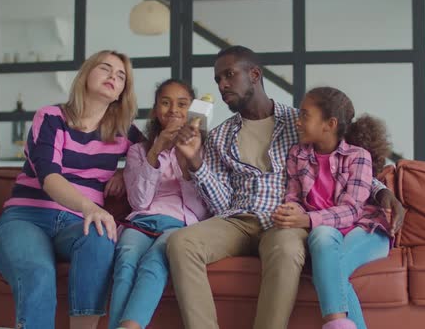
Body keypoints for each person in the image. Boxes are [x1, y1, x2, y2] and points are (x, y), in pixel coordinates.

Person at [169, 45, 404, 329]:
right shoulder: (219, 136)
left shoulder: (301, 123)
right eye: (218, 79)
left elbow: (341, 162)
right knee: (181, 243)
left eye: (229, 75)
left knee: (287, 250)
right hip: (238, 220)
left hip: (284, 222)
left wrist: (383, 191)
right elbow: (221, 204)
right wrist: (195, 160)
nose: (222, 84)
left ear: (254, 74)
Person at [0, 50, 144, 329]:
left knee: (101, 236)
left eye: (121, 76)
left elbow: (152, 157)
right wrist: (90, 207)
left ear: (122, 91)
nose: (113, 77)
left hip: (76, 225)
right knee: (39, 271)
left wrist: (125, 169)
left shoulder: (124, 132)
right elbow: (49, 176)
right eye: (105, 69)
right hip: (26, 218)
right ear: (86, 76)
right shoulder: (51, 118)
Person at [273, 87, 392, 329]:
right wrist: (290, 212)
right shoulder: (298, 154)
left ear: (330, 123)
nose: (298, 121)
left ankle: (336, 323)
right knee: (322, 235)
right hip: (326, 233)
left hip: (365, 230)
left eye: (305, 115)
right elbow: (293, 195)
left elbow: (352, 210)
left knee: (329, 269)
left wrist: (305, 219)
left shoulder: (359, 156)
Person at [109, 79, 209, 329]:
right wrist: (155, 151)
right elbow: (139, 201)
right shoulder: (138, 151)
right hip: (142, 221)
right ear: (155, 111)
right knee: (126, 258)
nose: (173, 109)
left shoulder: (203, 151)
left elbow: (200, 209)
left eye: (182, 104)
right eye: (165, 103)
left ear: (192, 111)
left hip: (179, 225)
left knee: (156, 260)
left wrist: (188, 161)